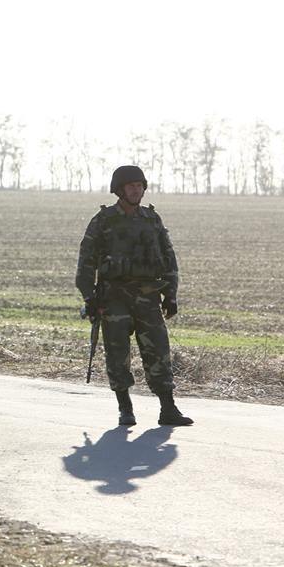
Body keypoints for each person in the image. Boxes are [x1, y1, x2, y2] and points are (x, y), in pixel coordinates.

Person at [75, 165, 193, 427]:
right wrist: (89, 298)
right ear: (119, 190)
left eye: (139, 185)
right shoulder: (103, 220)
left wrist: (170, 294)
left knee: (159, 351)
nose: (136, 190)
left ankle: (168, 408)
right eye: (131, 186)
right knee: (118, 354)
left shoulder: (152, 220)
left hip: (148, 298)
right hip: (114, 298)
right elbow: (86, 261)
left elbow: (169, 258)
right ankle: (125, 407)